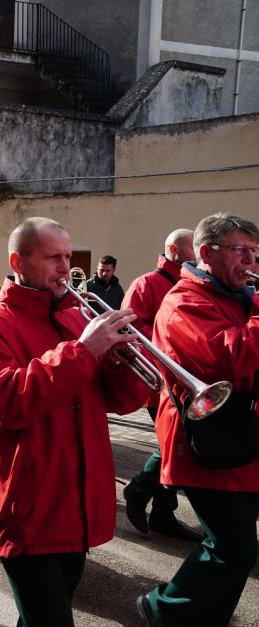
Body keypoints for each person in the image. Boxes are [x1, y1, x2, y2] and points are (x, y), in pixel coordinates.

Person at [0, 217, 150, 626]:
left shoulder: (76, 319)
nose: (66, 267)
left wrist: (129, 365)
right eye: (53, 257)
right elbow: (8, 402)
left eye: (67, 256)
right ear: (18, 261)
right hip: (27, 507)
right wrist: (83, 352)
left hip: (75, 503)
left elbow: (118, 402)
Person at [137, 213, 259, 626]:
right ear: (206, 253)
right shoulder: (183, 301)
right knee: (234, 546)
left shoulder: (242, 296)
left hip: (241, 436)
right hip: (203, 438)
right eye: (241, 250)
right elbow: (229, 356)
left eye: (254, 252)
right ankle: (165, 608)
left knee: (233, 545)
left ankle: (203, 615)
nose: (251, 261)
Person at [121, 228, 202, 542]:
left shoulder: (190, 283)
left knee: (177, 446)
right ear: (173, 248)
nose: (196, 252)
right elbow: (132, 329)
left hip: (187, 381)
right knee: (173, 445)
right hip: (163, 382)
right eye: (191, 246)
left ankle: (163, 512)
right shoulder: (147, 283)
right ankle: (140, 491)